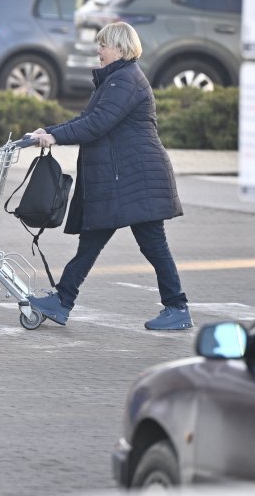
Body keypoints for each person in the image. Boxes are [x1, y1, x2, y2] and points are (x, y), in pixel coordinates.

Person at [27, 21, 192, 331]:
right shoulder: (116, 80)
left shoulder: (125, 81)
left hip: (135, 177)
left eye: (103, 45)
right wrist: (47, 131)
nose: (98, 50)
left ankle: (177, 307)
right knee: (94, 242)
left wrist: (56, 138)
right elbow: (88, 119)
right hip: (125, 177)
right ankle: (63, 300)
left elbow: (96, 125)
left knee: (150, 244)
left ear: (120, 48)